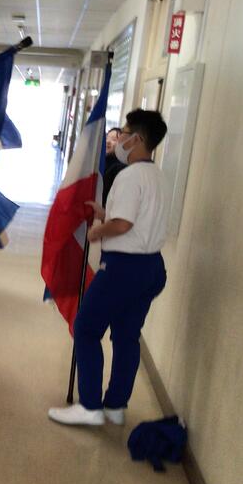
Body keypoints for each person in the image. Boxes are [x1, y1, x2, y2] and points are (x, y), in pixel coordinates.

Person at [49, 109, 168, 426]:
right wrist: (105, 212)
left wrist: (98, 230)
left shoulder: (130, 176)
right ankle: (115, 406)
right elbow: (139, 217)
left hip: (123, 268)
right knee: (127, 336)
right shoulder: (156, 175)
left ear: (137, 139)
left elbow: (124, 224)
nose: (120, 138)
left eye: (124, 133)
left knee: (86, 328)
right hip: (151, 268)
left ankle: (89, 407)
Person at [103, 127, 126, 205]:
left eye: (114, 139)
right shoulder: (100, 162)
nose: (108, 141)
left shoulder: (121, 167)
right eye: (107, 138)